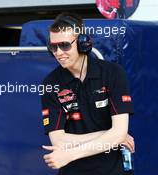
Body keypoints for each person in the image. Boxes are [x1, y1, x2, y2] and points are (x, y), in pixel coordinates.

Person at [41, 13, 135, 175]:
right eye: (53, 47)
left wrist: (69, 153)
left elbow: (119, 132)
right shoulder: (50, 83)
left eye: (64, 45)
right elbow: (58, 140)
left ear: (83, 43)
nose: (58, 52)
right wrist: (110, 136)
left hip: (113, 171)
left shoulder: (112, 73)